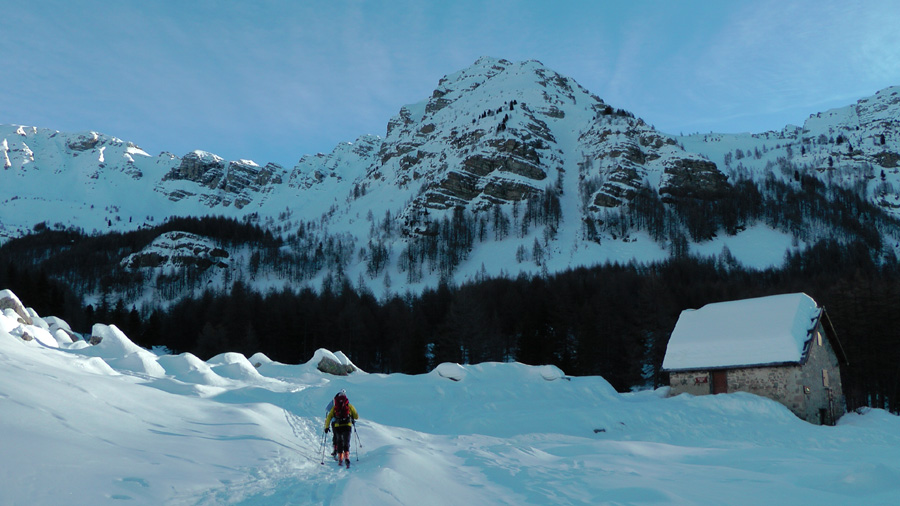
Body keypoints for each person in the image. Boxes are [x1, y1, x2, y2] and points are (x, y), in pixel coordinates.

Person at [324, 390, 358, 468]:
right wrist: (351, 417)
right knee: (346, 441)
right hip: (347, 425)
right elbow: (356, 416)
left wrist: (326, 427)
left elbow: (328, 416)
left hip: (337, 425)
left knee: (339, 440)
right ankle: (347, 457)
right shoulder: (349, 405)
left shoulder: (335, 404)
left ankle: (340, 458)